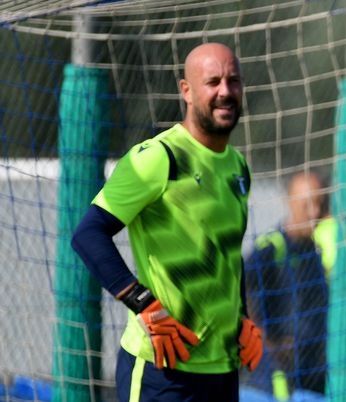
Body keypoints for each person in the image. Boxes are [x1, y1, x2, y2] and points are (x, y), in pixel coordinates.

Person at [71, 42, 263, 401]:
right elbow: (87, 235)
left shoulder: (237, 166)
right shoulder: (159, 158)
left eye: (233, 81)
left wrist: (242, 317)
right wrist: (143, 303)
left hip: (222, 371)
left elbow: (225, 255)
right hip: (162, 370)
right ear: (186, 91)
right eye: (213, 82)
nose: (225, 92)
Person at [243, 172, 335, 400]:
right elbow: (242, 294)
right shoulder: (271, 248)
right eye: (307, 204)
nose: (314, 212)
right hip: (272, 380)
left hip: (315, 374)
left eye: (320, 204)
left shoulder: (318, 252)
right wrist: (270, 341)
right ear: (290, 202)